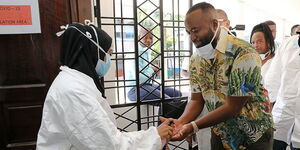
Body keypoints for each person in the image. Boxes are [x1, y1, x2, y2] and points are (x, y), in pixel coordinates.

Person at [36, 23, 174, 150]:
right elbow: (109, 145)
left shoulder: (76, 82)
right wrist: (155, 135)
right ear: (94, 53)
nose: (109, 60)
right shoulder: (73, 90)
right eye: (108, 54)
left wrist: (157, 137)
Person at [165, 2, 274, 150]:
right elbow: (197, 99)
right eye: (188, 32)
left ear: (215, 24)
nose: (192, 37)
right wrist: (181, 122)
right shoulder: (196, 59)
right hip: (221, 133)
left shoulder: (244, 52)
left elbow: (233, 106)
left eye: (195, 30)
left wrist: (193, 127)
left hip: (253, 135)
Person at [126, 27, 182, 102]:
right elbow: (139, 79)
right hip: (134, 90)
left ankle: (164, 113)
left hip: (147, 86)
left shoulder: (146, 52)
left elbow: (145, 73)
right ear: (139, 37)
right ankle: (163, 113)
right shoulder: (134, 53)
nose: (149, 40)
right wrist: (152, 69)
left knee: (177, 94)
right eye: (145, 37)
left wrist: (153, 69)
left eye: (151, 38)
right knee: (166, 100)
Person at [264, 34, 300, 150]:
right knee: (276, 144)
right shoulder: (288, 43)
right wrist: (268, 103)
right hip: (283, 111)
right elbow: (273, 77)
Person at [250, 23, 276, 106]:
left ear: (268, 41)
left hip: (270, 105)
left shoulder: (275, 61)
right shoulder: (252, 61)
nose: (255, 45)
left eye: (259, 41)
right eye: (253, 42)